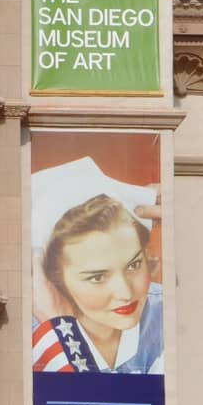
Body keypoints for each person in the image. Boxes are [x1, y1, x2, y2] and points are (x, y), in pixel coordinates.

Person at [31, 156, 163, 375]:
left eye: (134, 264)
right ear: (54, 281)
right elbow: (77, 404)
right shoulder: (30, 337)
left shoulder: (163, 313)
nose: (125, 292)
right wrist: (61, 329)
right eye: (97, 277)